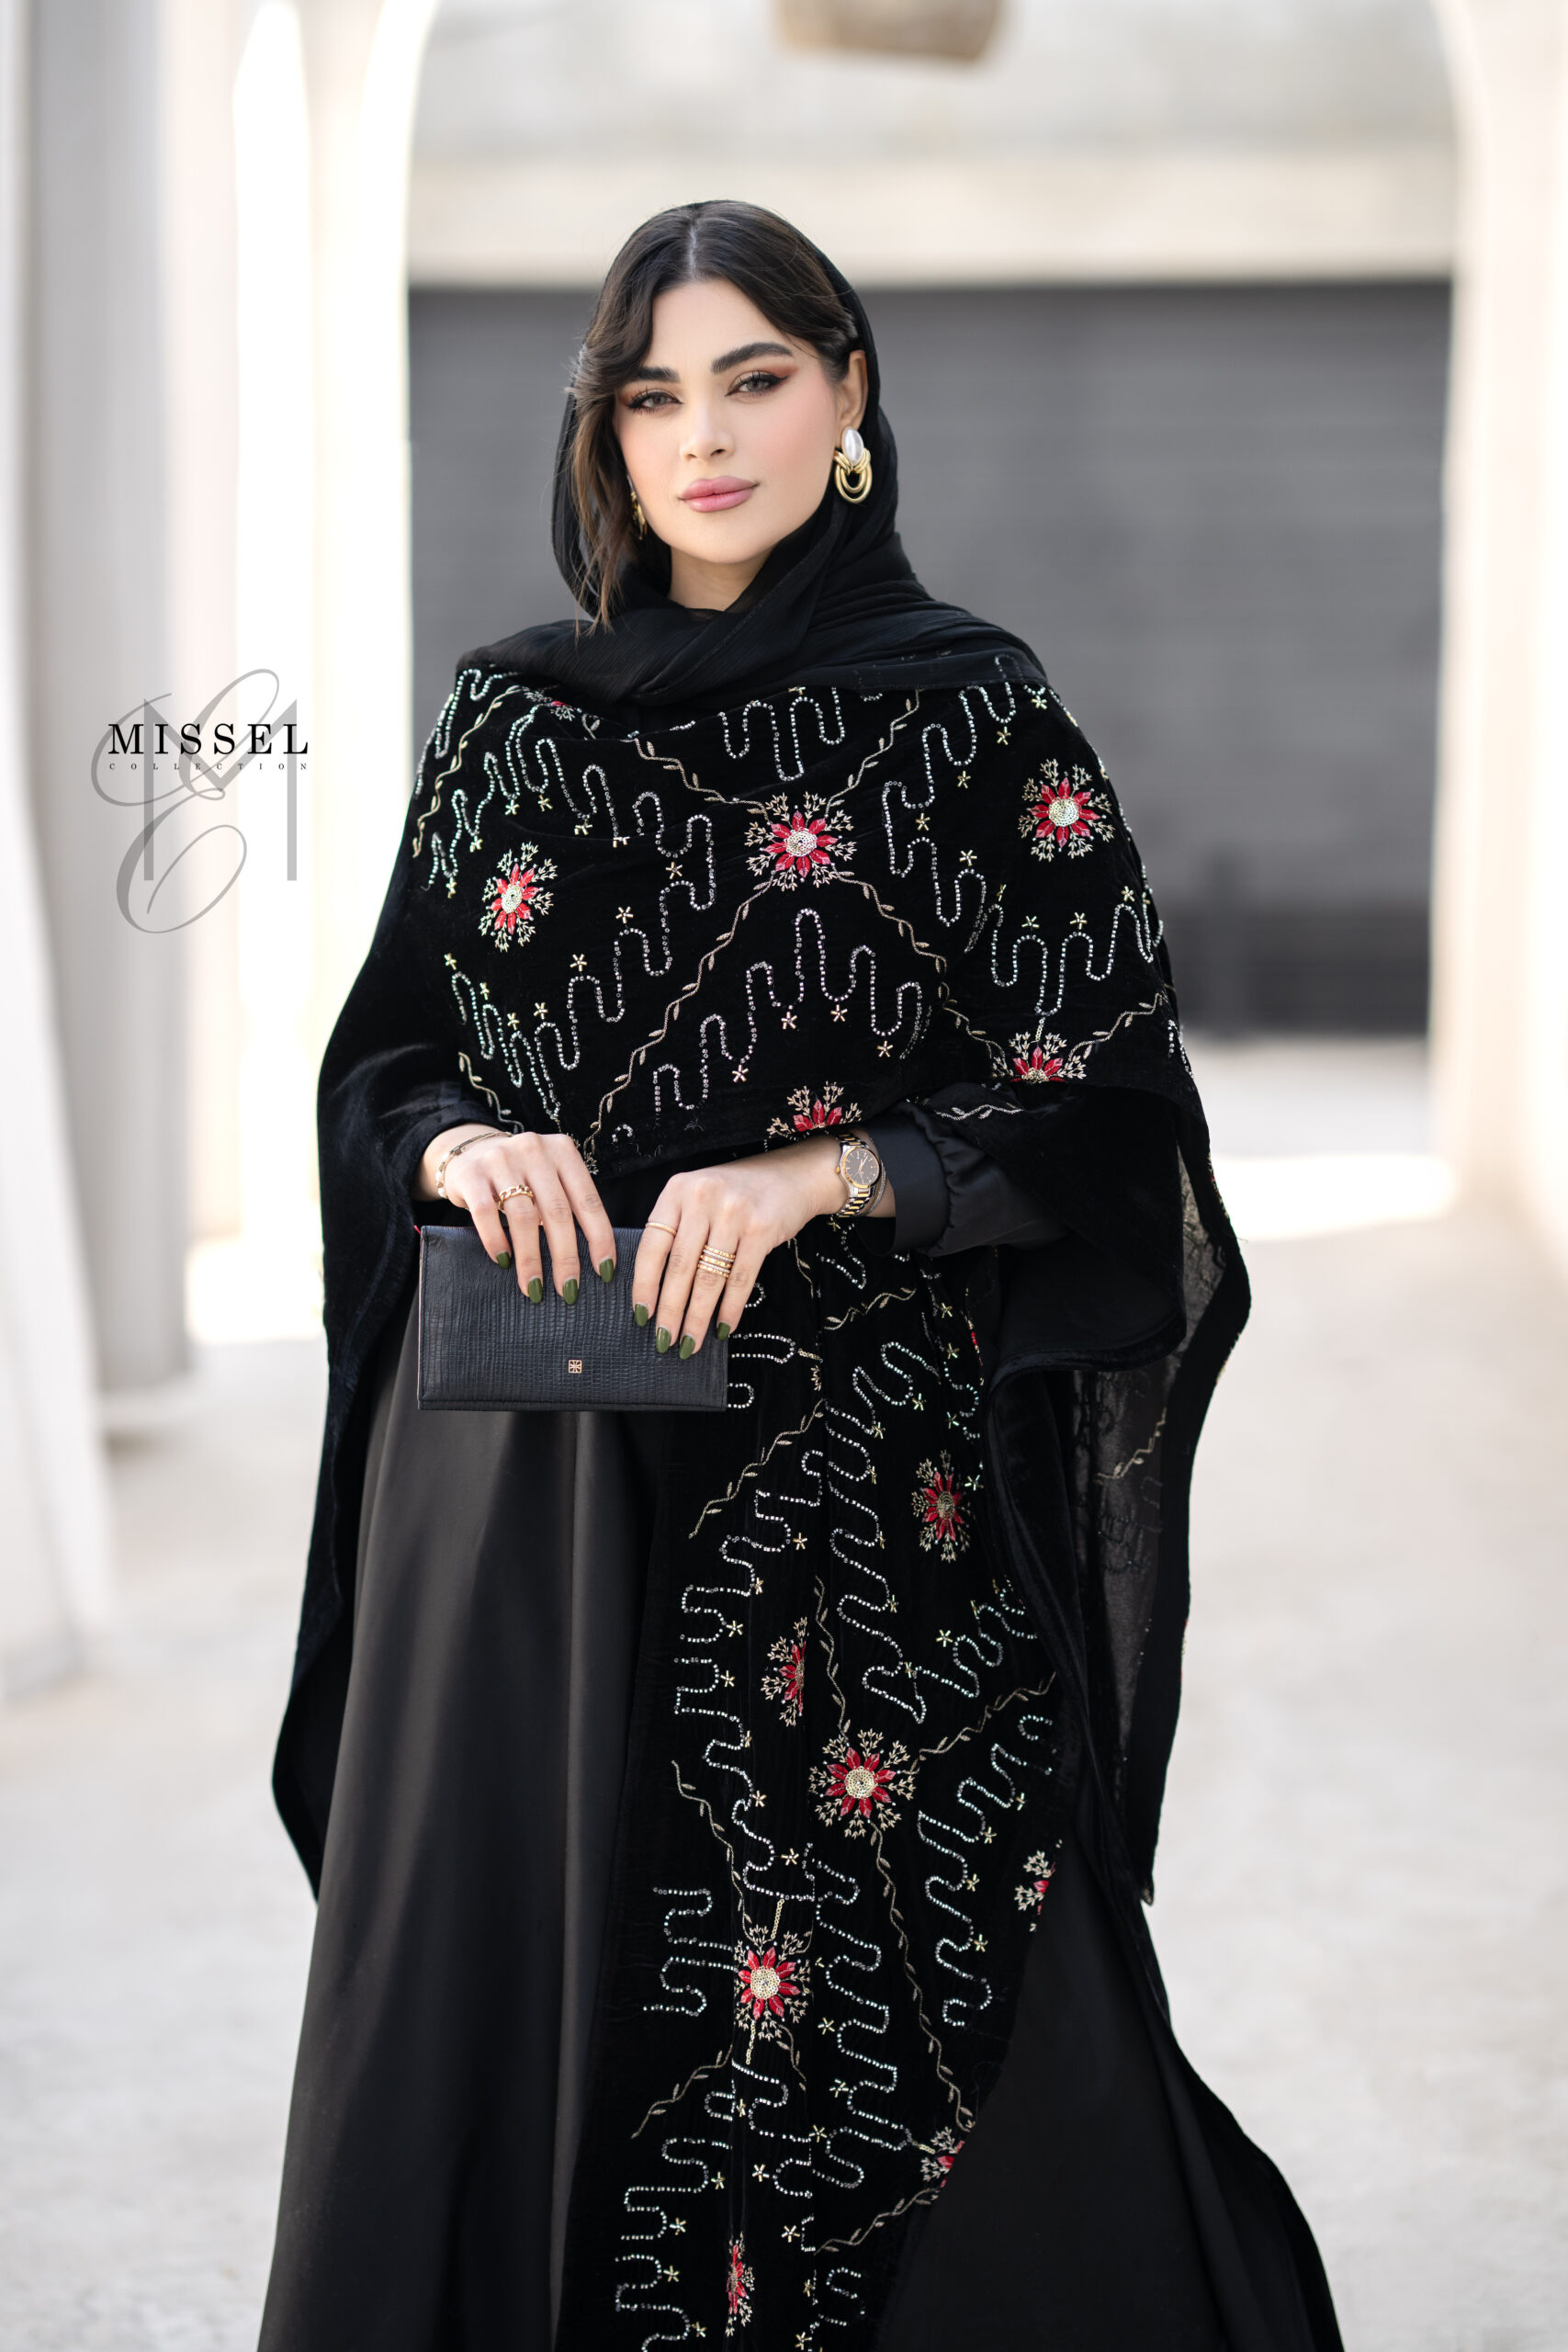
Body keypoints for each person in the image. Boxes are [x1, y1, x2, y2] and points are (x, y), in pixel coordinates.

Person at [259, 200, 1342, 2352]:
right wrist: (463, 1140)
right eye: (652, 395)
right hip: (540, 1495)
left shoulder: (967, 716)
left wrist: (824, 1172)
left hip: (867, 1506)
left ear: (846, 392)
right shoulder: (512, 719)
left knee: (930, 2000)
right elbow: (386, 1060)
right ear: (604, 434)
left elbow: (1108, 1103)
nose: (704, 437)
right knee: (539, 1994)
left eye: (752, 378)